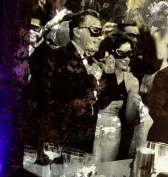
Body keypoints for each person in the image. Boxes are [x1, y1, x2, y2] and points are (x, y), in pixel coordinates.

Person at [26, 9, 105, 154]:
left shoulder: (93, 63)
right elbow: (40, 101)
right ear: (77, 31)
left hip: (81, 145)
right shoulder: (56, 57)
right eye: (95, 31)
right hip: (55, 145)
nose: (100, 37)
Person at [92, 33, 142, 161]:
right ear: (110, 53)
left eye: (129, 54)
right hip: (91, 127)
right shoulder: (96, 71)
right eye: (121, 53)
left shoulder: (132, 81)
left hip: (112, 130)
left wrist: (136, 105)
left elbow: (129, 117)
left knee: (105, 171)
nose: (126, 58)